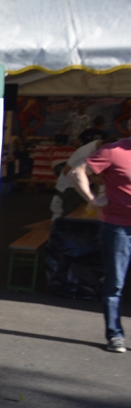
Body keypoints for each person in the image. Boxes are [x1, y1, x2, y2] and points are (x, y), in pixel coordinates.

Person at [69, 137, 131, 353]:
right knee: (115, 284)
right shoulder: (113, 151)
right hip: (118, 228)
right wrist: (93, 200)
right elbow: (76, 173)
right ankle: (115, 335)